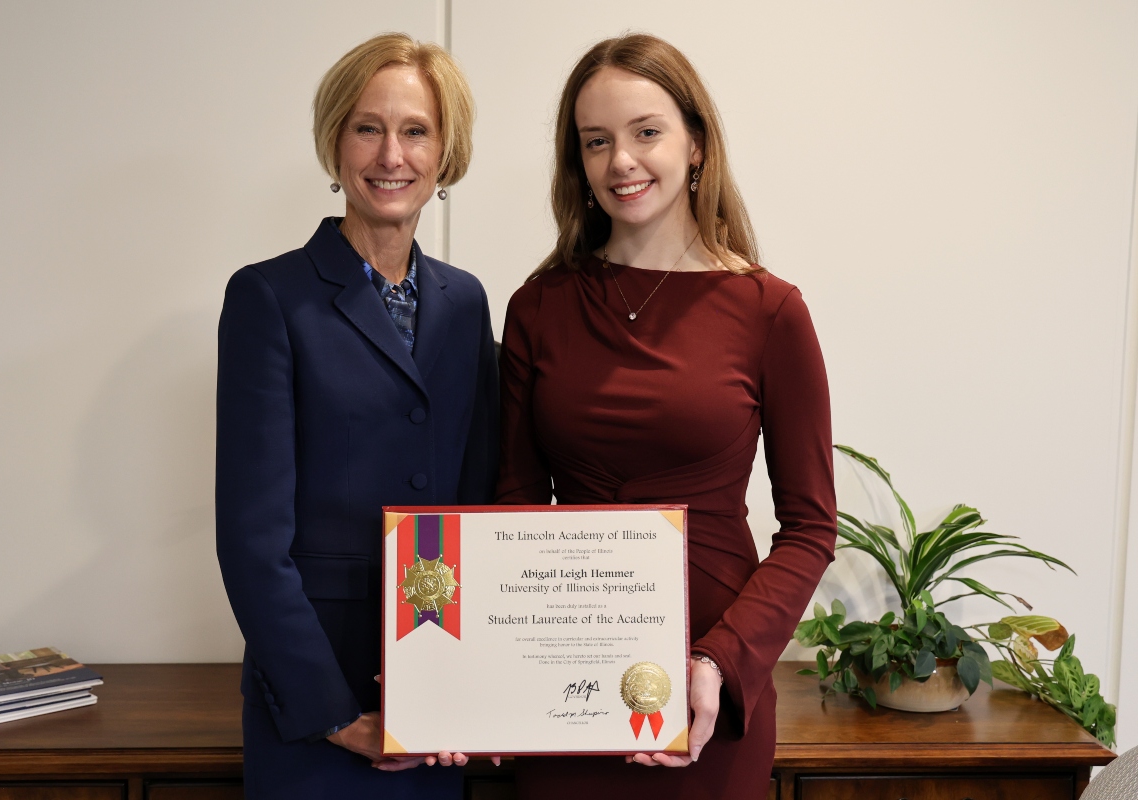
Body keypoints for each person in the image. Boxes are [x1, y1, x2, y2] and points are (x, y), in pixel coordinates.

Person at [496, 33, 837, 799]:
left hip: (709, 690)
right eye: (596, 142)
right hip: (563, 681)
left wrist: (719, 661)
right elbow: (513, 506)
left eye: (646, 132)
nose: (621, 161)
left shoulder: (770, 311)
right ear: (577, 163)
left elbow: (812, 526)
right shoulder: (539, 307)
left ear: (696, 146)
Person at [215, 33, 498, 798]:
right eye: (368, 127)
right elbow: (251, 542)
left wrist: (480, 684)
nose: (390, 155)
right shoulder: (268, 297)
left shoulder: (466, 302)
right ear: (336, 141)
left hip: (440, 683)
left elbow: (476, 505)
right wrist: (335, 715)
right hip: (314, 697)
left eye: (416, 131)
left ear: (445, 152)